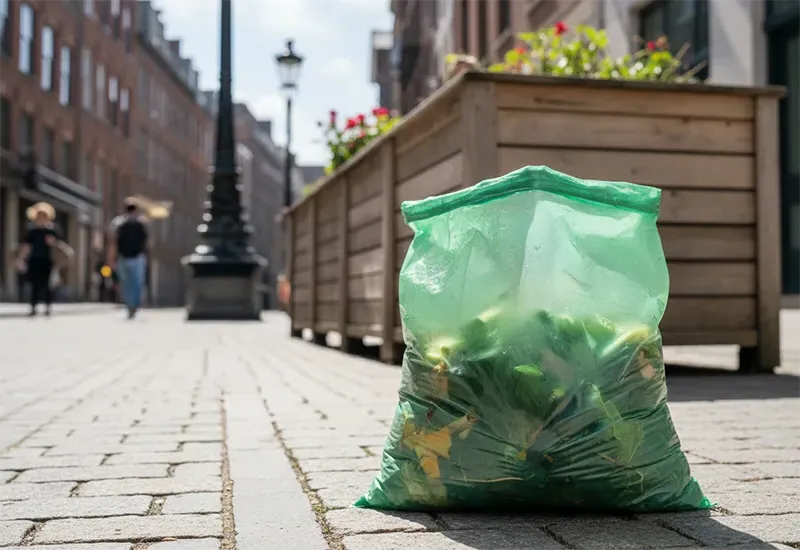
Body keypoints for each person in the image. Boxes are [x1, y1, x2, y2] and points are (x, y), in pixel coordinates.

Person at [15, 202, 65, 316]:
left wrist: (53, 242)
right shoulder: (32, 231)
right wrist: (20, 259)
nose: (41, 219)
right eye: (39, 216)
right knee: (34, 284)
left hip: (47, 261)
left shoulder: (52, 230)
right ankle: (33, 307)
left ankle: (48, 307)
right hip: (34, 261)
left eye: (43, 216)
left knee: (48, 285)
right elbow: (26, 246)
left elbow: (59, 245)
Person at [107, 200, 149, 319]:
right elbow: (147, 242)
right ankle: (134, 305)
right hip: (137, 257)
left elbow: (112, 242)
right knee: (137, 282)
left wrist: (111, 259)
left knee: (125, 283)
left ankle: (129, 304)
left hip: (123, 256)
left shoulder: (117, 223)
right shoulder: (141, 223)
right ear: (135, 210)